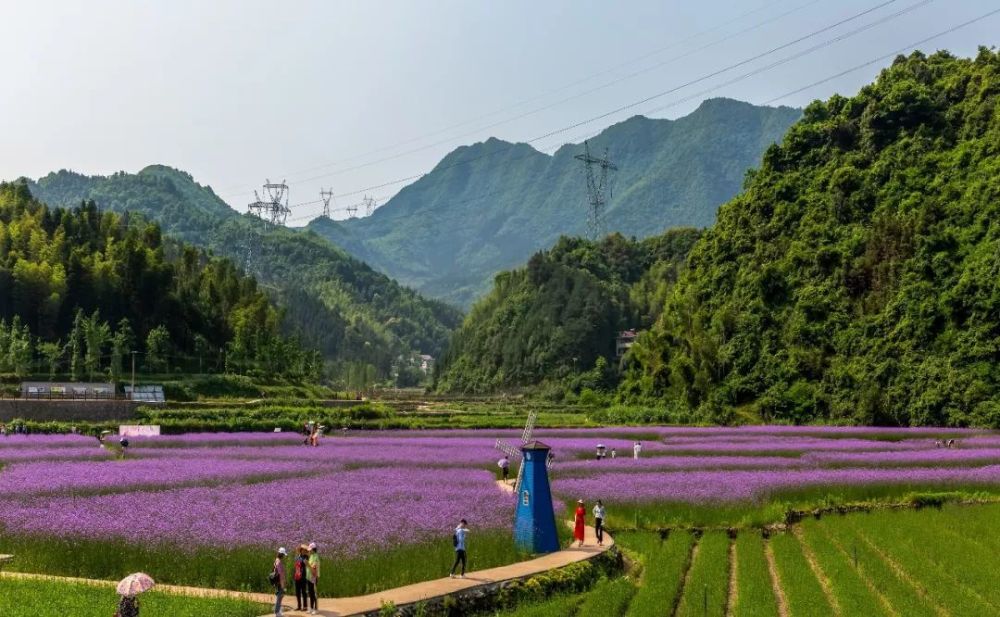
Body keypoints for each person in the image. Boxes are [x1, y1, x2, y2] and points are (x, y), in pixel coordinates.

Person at [271, 547, 287, 617]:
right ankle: (277, 612)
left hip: (277, 581)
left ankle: (278, 610)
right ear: (282, 555)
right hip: (279, 582)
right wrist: (283, 584)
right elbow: (281, 575)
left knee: (280, 595)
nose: (284, 556)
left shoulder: (276, 560)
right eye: (283, 555)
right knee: (280, 596)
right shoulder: (279, 562)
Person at [293, 545, 309, 612]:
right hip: (297, 576)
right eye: (302, 550)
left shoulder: (306, 557)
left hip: (303, 576)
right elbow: (296, 566)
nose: (303, 551)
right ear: (300, 550)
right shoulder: (297, 557)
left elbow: (307, 566)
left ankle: (305, 606)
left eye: (305, 550)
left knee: (304, 592)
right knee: (297, 592)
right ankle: (299, 606)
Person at [306, 542, 320, 615]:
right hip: (309, 577)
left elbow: (313, 568)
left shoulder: (315, 557)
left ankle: (316, 609)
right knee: (310, 593)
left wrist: (307, 564)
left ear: (313, 549)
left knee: (314, 593)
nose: (309, 551)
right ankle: (311, 608)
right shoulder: (311, 556)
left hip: (314, 577)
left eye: (310, 549)